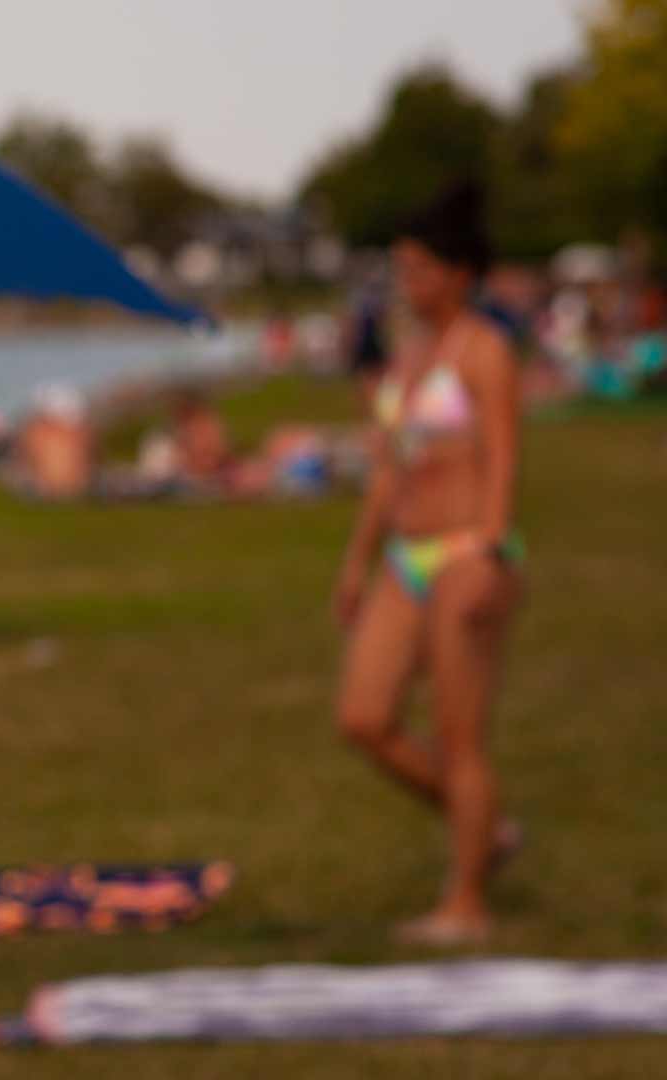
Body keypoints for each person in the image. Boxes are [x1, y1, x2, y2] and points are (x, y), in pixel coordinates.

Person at [332, 183, 525, 945]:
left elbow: (504, 458)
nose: (406, 284)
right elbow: (388, 472)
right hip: (402, 558)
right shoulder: (405, 361)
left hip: (465, 551)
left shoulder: (485, 351)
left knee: (459, 734)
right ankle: (489, 830)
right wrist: (355, 562)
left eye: (417, 269)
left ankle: (467, 900)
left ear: (458, 273)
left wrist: (491, 549)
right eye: (399, 270)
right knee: (364, 718)